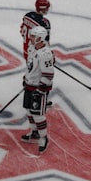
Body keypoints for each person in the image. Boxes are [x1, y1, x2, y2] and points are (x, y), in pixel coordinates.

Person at [21, 26, 55, 154]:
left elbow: (49, 75)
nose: (31, 38)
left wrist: (41, 90)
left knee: (38, 114)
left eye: (34, 36)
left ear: (40, 37)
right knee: (29, 110)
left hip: (38, 88)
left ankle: (43, 138)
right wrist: (26, 78)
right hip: (29, 85)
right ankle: (34, 132)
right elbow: (30, 66)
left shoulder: (45, 54)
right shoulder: (32, 48)